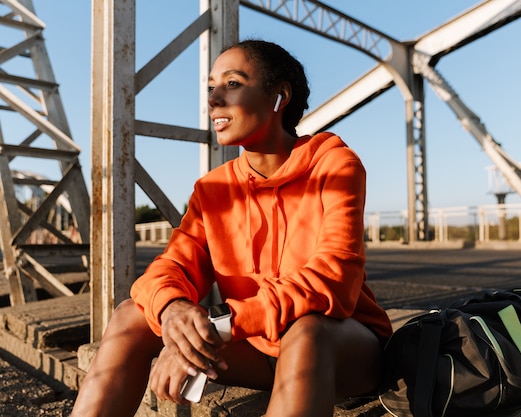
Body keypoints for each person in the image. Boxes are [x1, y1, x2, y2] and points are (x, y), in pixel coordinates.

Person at [71, 39, 393, 417]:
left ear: (279, 96)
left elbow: (333, 282)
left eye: (233, 84)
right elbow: (168, 269)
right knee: (132, 314)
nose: (213, 100)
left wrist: (216, 324)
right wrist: (175, 314)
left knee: (308, 330)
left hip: (343, 352)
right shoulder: (214, 189)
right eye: (210, 88)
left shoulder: (334, 164)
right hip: (255, 348)